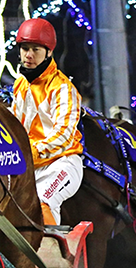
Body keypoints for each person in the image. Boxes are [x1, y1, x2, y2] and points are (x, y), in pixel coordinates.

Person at [11, 18, 83, 226]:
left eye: (35, 49)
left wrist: (30, 151)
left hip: (62, 163)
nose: (29, 55)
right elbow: (15, 127)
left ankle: (52, 258)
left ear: (49, 52)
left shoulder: (62, 87)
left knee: (42, 201)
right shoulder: (20, 84)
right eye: (25, 49)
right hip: (28, 165)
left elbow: (64, 134)